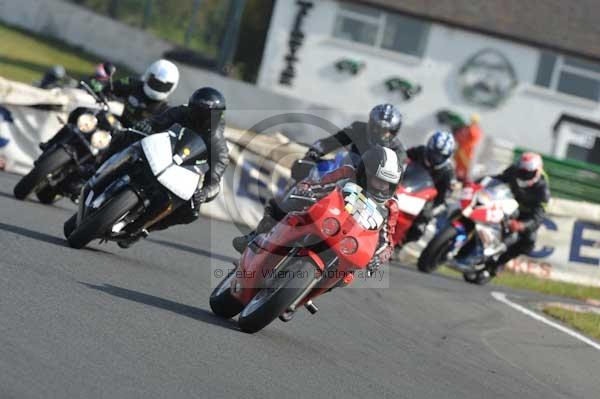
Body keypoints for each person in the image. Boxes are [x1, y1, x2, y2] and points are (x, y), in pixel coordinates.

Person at [232, 146, 404, 278]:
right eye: (377, 181)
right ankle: (254, 238)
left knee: (346, 276)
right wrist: (306, 190)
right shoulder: (347, 173)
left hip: (350, 240)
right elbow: (318, 183)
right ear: (364, 173)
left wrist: (378, 258)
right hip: (325, 216)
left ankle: (300, 297)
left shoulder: (391, 206)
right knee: (284, 205)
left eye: (386, 184)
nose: (382, 188)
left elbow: (387, 241)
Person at [115, 87, 230, 248]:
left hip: (181, 174)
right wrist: (146, 126)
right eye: (196, 111)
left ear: (216, 116)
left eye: (204, 115)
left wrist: (203, 193)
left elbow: (214, 182)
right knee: (125, 136)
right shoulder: (181, 112)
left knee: (191, 212)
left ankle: (144, 229)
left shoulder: (219, 146)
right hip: (158, 153)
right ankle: (95, 171)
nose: (198, 117)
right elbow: (155, 122)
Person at [485, 152, 550, 276]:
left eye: (528, 173)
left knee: (528, 242)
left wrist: (522, 225)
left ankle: (500, 262)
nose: (524, 175)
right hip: (508, 202)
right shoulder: (514, 170)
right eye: (522, 171)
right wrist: (480, 182)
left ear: (537, 172)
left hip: (526, 213)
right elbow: (499, 178)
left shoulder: (543, 190)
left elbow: (538, 217)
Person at [305, 103, 407, 166]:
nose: (378, 133)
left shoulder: (398, 152)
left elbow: (393, 180)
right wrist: (315, 152)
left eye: (384, 131)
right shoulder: (358, 128)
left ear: (394, 131)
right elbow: (331, 142)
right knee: (303, 167)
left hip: (368, 187)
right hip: (343, 170)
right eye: (376, 127)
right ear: (370, 122)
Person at [404, 130, 456, 242]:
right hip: (403, 185)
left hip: (424, 199)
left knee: (421, 224)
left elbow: (443, 198)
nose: (436, 158)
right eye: (434, 153)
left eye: (440, 156)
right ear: (429, 147)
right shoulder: (420, 151)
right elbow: (401, 157)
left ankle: (401, 244)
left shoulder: (448, 172)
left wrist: (430, 210)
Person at [452, 113, 483, 182]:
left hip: (467, 152)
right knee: (457, 166)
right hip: (460, 150)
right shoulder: (466, 128)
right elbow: (458, 137)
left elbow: (474, 139)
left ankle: (463, 180)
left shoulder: (475, 130)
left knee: (465, 168)